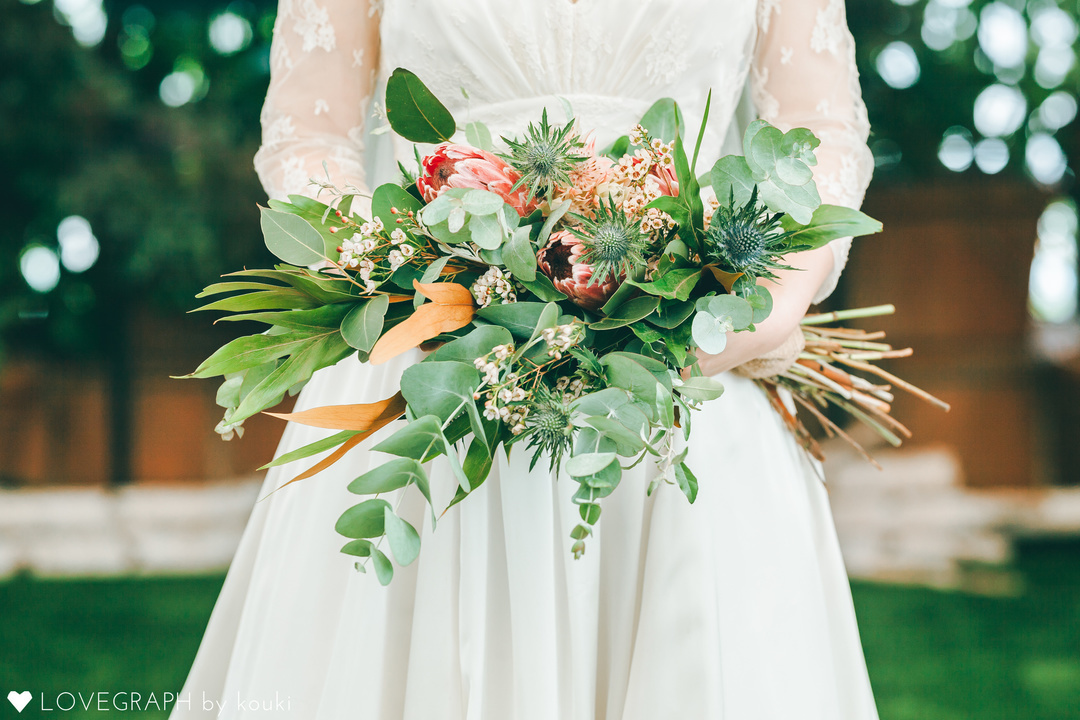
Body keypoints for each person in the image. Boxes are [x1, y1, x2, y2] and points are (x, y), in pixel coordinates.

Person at [174, 0, 878, 718]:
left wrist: (766, 303)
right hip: (435, 371)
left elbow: (821, 132)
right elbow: (308, 135)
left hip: (690, 374)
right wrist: (407, 270)